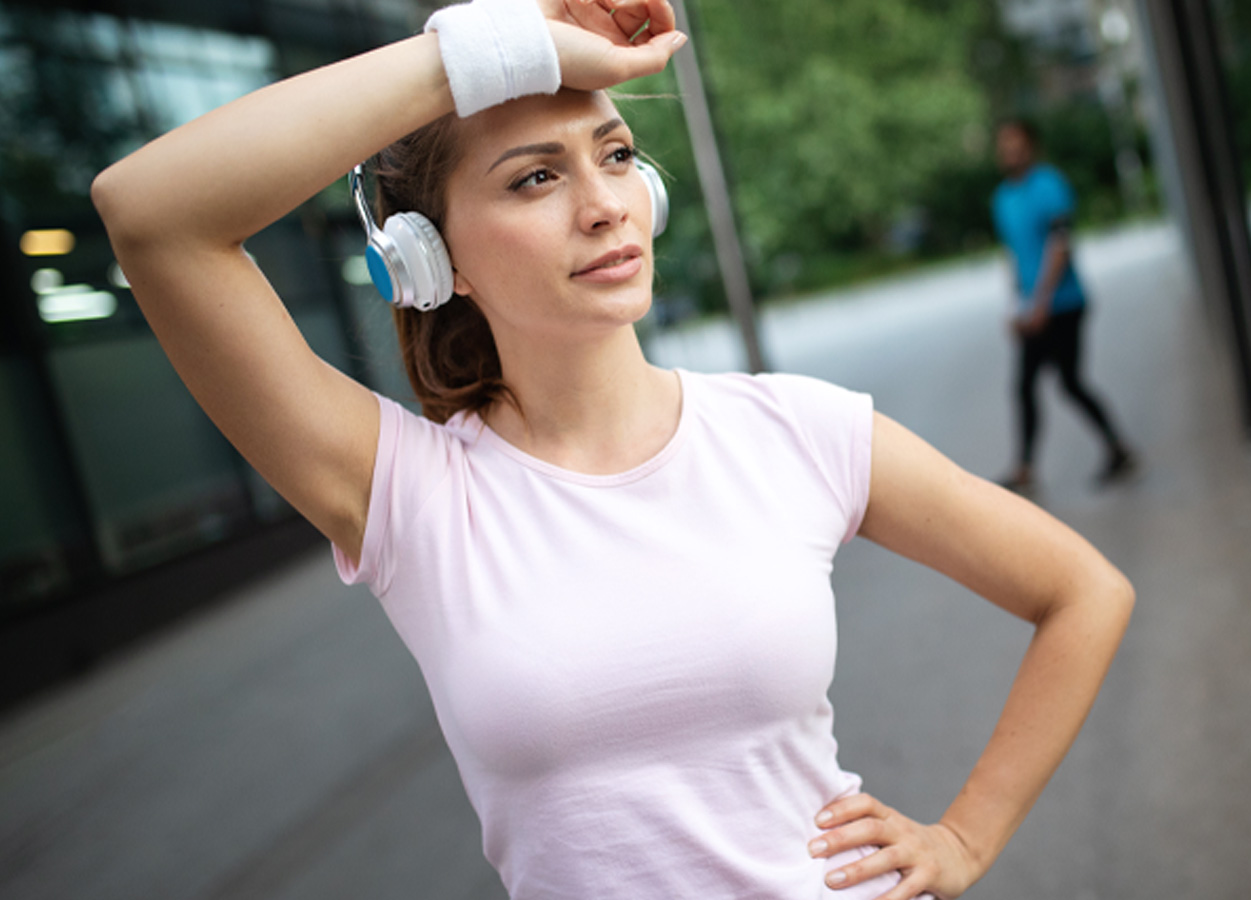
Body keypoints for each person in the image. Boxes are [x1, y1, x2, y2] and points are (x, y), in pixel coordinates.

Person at [91, 2, 1133, 898]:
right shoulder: (408, 495)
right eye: (534, 179)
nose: (602, 205)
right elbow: (151, 216)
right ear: (425, 257)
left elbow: (1083, 592)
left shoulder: (795, 432)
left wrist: (962, 838)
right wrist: (496, 43)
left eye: (617, 156)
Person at [991, 119, 1136, 492]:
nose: (1011, 153)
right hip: (1032, 309)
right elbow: (1014, 256)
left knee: (1069, 383)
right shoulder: (1002, 199)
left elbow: (1060, 245)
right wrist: (1015, 306)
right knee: (1026, 386)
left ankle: (1117, 448)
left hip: (1064, 304)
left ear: (1032, 147)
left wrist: (1041, 301)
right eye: (1005, 147)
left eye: (1017, 145)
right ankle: (1025, 467)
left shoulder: (1050, 186)